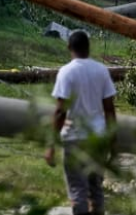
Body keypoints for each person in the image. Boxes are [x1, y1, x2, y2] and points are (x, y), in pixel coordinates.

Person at [45, 31, 118, 215]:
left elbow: (60, 111)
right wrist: (112, 140)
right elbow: (109, 109)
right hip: (97, 137)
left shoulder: (66, 72)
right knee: (96, 189)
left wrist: (51, 145)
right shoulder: (101, 70)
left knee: (78, 190)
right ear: (88, 47)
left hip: (74, 138)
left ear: (69, 48)